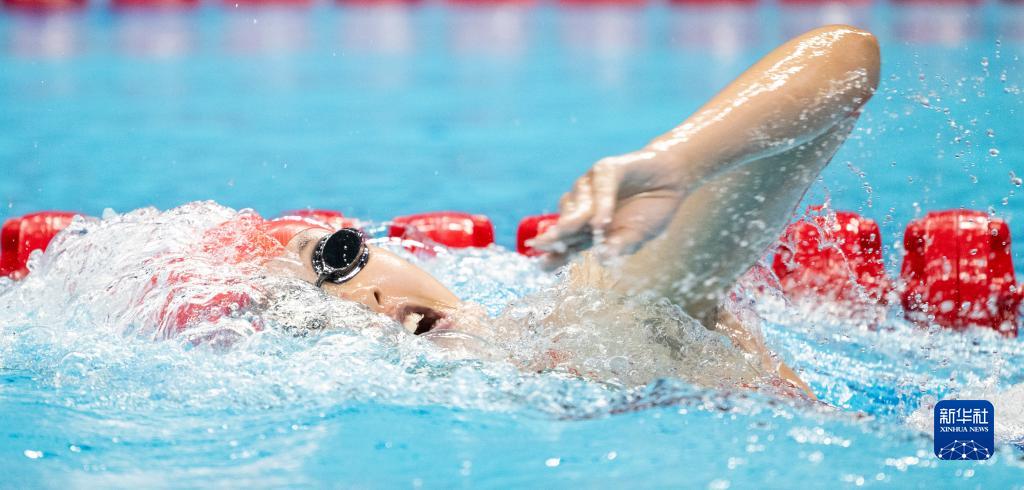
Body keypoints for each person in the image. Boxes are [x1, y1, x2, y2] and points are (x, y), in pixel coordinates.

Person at [265, 24, 881, 399]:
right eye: (306, 319)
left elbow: (847, 58)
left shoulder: (601, 316)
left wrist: (675, 163)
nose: (364, 301)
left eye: (338, 258)